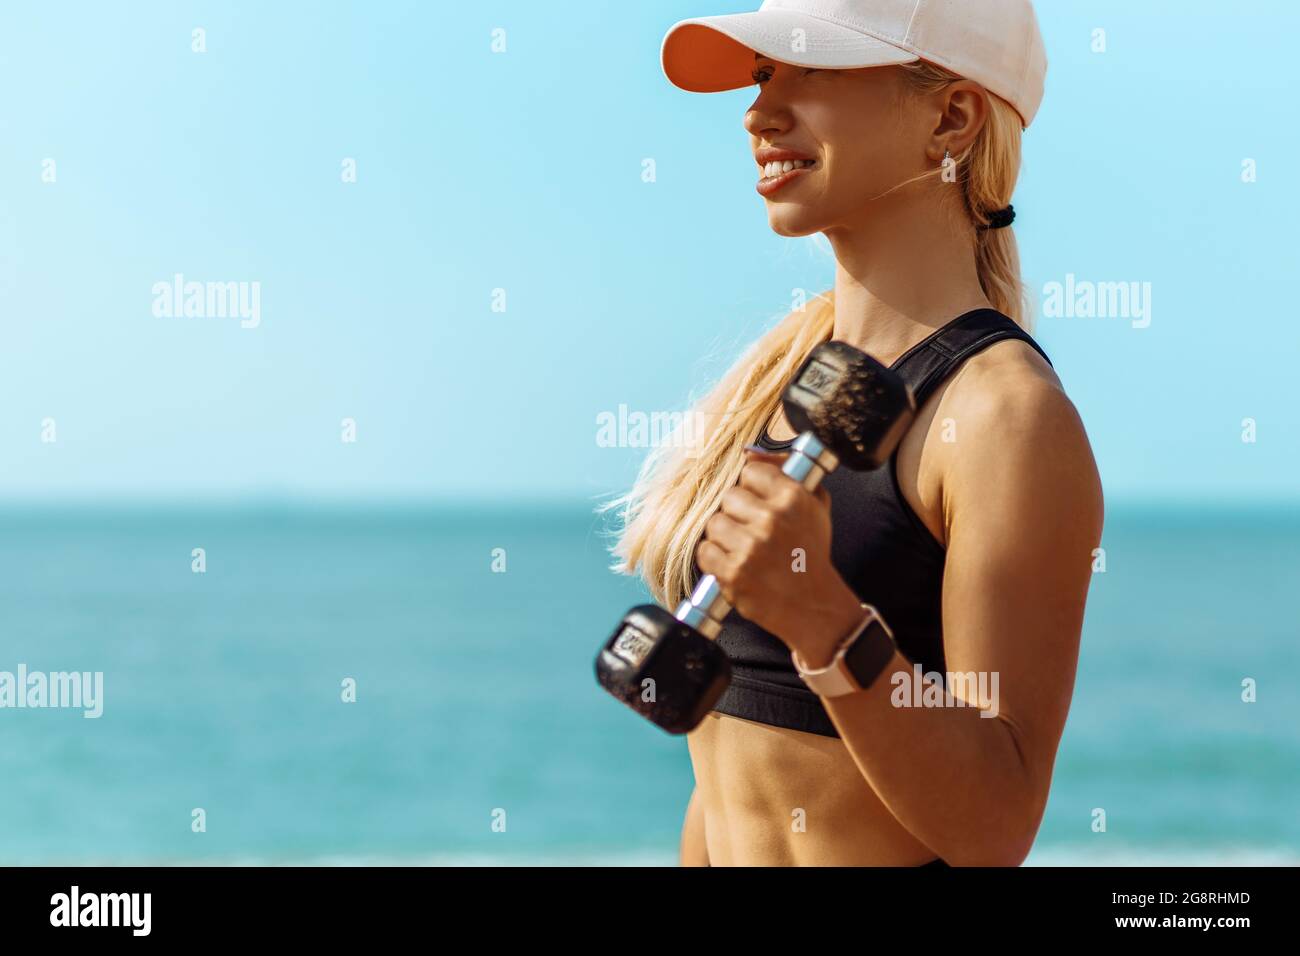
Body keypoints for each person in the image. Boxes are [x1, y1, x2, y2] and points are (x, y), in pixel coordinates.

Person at [606, 0, 1103, 866]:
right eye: (766, 74)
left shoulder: (1004, 418)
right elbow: (730, 773)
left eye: (813, 69)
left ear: (951, 116)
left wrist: (825, 623)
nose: (760, 111)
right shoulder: (780, 381)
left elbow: (998, 821)